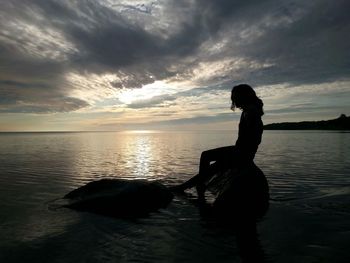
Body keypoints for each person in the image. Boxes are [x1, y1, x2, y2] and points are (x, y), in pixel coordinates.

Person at [172, 84, 264, 200]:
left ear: (243, 96)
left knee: (207, 157)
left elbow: (254, 136)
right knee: (213, 165)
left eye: (235, 97)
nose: (233, 100)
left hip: (242, 154)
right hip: (243, 152)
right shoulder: (250, 110)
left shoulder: (250, 112)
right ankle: (190, 187)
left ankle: (195, 187)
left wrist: (243, 157)